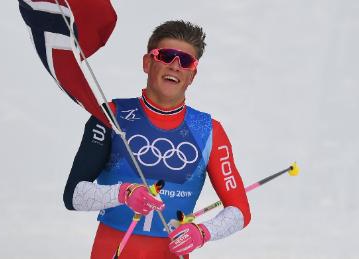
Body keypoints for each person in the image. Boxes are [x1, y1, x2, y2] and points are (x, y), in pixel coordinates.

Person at [63, 20, 251, 259]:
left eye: (185, 61)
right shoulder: (110, 115)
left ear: (192, 75)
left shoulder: (209, 130)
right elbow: (73, 195)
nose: (175, 66)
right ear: (147, 62)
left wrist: (203, 232)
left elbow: (240, 209)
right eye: (166, 55)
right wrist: (123, 193)